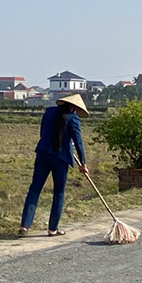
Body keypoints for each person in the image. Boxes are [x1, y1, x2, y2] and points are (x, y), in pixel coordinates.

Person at [19, 94, 88, 237]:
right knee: (59, 192)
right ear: (73, 107)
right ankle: (52, 229)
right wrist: (83, 163)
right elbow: (78, 142)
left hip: (43, 153)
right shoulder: (73, 119)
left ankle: (24, 226)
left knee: (34, 189)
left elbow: (43, 132)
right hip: (60, 158)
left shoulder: (49, 112)